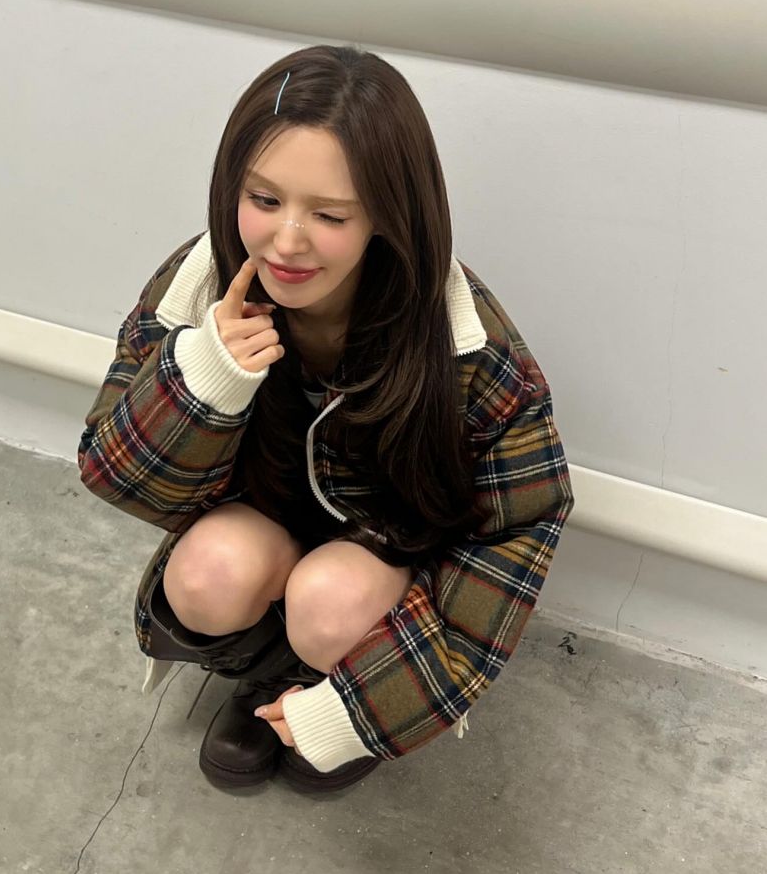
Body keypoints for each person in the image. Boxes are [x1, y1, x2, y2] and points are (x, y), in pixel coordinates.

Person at [78, 44, 574, 794]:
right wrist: (204, 378)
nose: (286, 242)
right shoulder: (199, 287)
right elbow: (115, 474)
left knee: (330, 602)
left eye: (330, 215)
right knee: (209, 574)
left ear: (387, 215)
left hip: (378, 562)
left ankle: (333, 690)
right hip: (260, 523)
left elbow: (519, 530)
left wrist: (366, 711)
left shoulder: (466, 345)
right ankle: (269, 685)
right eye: (263, 199)